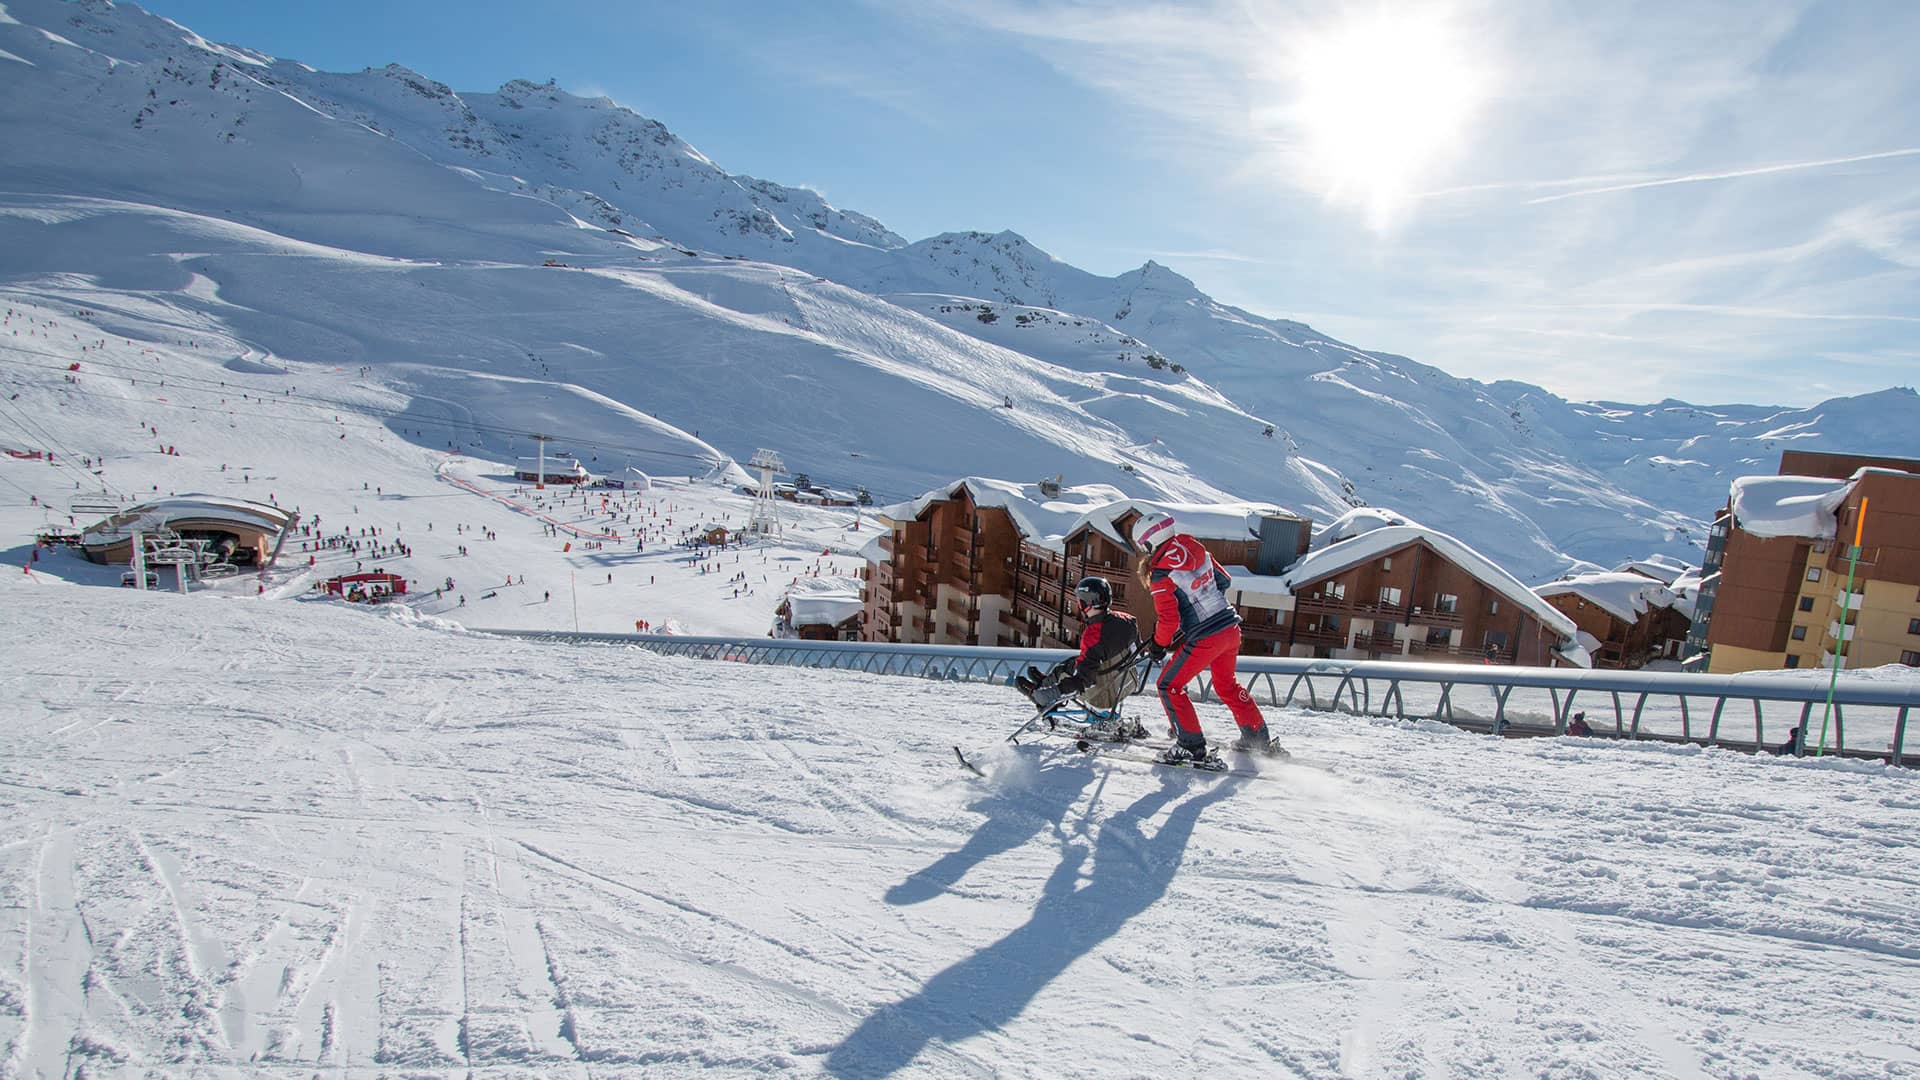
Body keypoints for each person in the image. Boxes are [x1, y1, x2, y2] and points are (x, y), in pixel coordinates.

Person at [1133, 511, 1275, 763]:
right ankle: (1257, 738)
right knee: (1227, 685)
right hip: (1230, 628)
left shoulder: (1160, 574)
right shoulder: (1196, 547)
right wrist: (1202, 604)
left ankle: (1191, 745)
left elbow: (1168, 620)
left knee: (1169, 685)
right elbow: (1224, 580)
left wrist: (1158, 644)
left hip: (1207, 637)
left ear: (1149, 542)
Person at [1013, 576, 1140, 718]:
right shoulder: (1128, 620)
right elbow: (1134, 652)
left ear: (1085, 603)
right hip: (1127, 681)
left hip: (1103, 695)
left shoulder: (1092, 636)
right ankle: (1044, 681)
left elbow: (1085, 681)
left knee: (1068, 669)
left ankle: (1039, 692)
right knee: (1075, 661)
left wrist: (1052, 694)